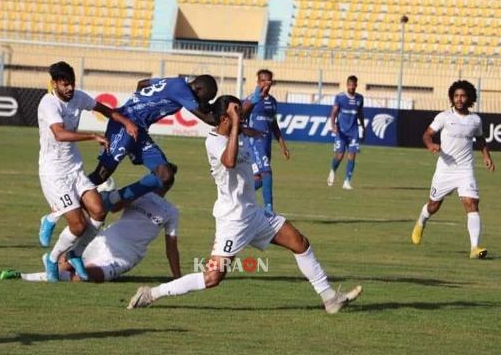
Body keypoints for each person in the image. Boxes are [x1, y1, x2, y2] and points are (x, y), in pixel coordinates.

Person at [126, 95, 362, 314]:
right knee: (212, 278)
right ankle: (152, 293)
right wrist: (239, 125)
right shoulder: (214, 142)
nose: (241, 115)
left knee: (300, 242)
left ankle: (330, 298)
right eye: (235, 112)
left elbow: (244, 133)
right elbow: (228, 162)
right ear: (225, 119)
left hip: (254, 214)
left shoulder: (238, 134)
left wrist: (251, 110)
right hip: (233, 220)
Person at [38, 75, 218, 243]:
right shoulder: (182, 89)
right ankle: (55, 212)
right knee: (101, 175)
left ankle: (113, 199)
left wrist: (142, 105)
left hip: (138, 130)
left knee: (165, 175)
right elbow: (208, 119)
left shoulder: (175, 82)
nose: (204, 103)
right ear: (200, 90)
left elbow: (142, 84)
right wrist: (233, 119)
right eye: (206, 98)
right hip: (123, 124)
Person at [37, 61, 138, 282]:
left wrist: (126, 123)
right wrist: (93, 136)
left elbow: (104, 110)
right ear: (54, 84)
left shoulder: (78, 97)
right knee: (78, 225)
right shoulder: (49, 103)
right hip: (54, 173)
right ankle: (53, 259)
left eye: (71, 83)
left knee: (99, 211)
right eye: (65, 84)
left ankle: (75, 253)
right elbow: (60, 134)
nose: (70, 88)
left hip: (74, 168)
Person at [0, 177, 181, 283]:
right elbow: (114, 208)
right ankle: (45, 264)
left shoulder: (171, 212)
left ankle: (22, 276)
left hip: (125, 255)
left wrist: (177, 278)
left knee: (85, 277)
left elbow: (171, 247)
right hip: (104, 239)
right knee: (65, 265)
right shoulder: (141, 196)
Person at [411, 80, 495, 259]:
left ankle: (474, 248)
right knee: (434, 205)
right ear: (451, 97)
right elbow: (427, 134)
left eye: (463, 95)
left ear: (469, 98)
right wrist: (430, 145)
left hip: (465, 170)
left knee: (472, 203)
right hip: (445, 169)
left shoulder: (475, 120)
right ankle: (421, 221)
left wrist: (486, 156)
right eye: (456, 96)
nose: (459, 99)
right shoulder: (444, 117)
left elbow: (480, 139)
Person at [242, 69, 290, 216]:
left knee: (259, 178)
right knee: (267, 172)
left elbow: (273, 124)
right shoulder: (251, 100)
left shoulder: (273, 102)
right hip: (254, 142)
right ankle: (269, 209)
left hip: (266, 143)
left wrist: (283, 145)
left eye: (268, 81)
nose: (265, 84)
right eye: (262, 80)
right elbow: (241, 117)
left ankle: (239, 196)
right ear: (258, 82)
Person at [327, 75, 365, 190]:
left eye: (354, 85)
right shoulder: (340, 97)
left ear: (356, 85)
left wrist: (363, 127)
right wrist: (333, 126)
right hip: (341, 131)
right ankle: (333, 170)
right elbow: (333, 113)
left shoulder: (359, 98)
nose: (352, 87)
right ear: (347, 85)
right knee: (339, 155)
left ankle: (347, 181)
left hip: (354, 131)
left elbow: (360, 114)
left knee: (352, 156)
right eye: (350, 85)